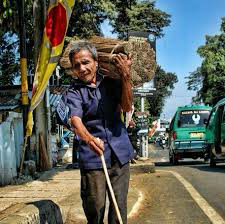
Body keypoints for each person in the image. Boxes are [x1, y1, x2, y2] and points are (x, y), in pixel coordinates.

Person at [66, 40, 134, 224]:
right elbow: (76, 120)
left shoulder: (112, 82)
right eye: (77, 65)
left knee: (119, 209)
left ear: (96, 62)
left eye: (86, 62)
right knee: (95, 208)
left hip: (120, 152)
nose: (82, 68)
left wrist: (126, 76)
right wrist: (89, 140)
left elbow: (127, 106)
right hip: (92, 157)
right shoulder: (74, 91)